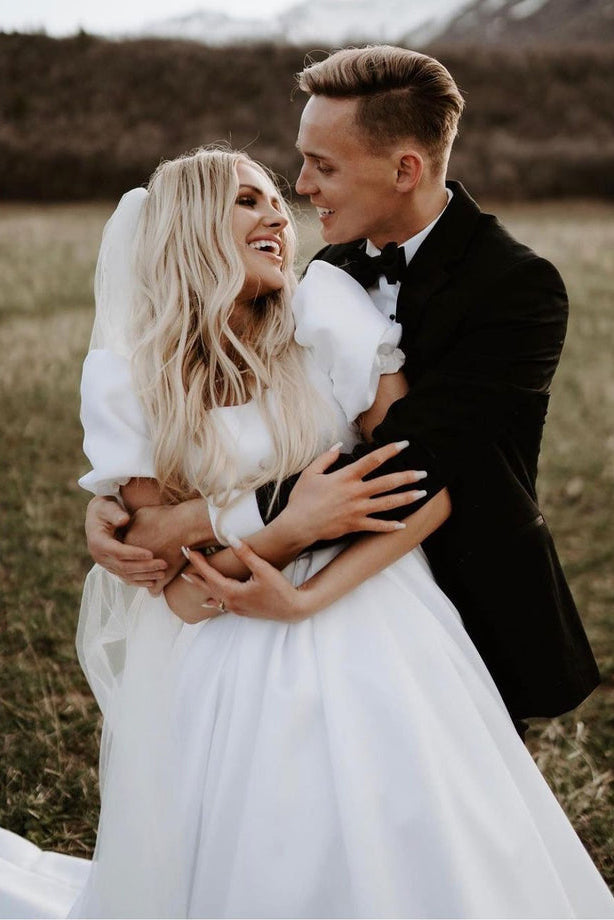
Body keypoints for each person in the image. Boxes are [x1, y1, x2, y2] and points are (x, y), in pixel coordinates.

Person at [2, 142, 613, 918]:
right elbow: (181, 596)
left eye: (274, 202)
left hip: (381, 611)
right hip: (233, 654)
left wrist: (308, 592)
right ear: (189, 226)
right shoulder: (134, 380)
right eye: (246, 200)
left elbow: (429, 491)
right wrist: (288, 529)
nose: (277, 216)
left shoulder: (326, 313)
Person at [86, 47, 600, 735]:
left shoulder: (517, 287)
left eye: (323, 166)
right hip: (295, 591)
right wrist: (115, 509)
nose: (301, 188)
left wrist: (187, 528)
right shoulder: (326, 275)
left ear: (404, 170)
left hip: (461, 582)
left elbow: (409, 465)